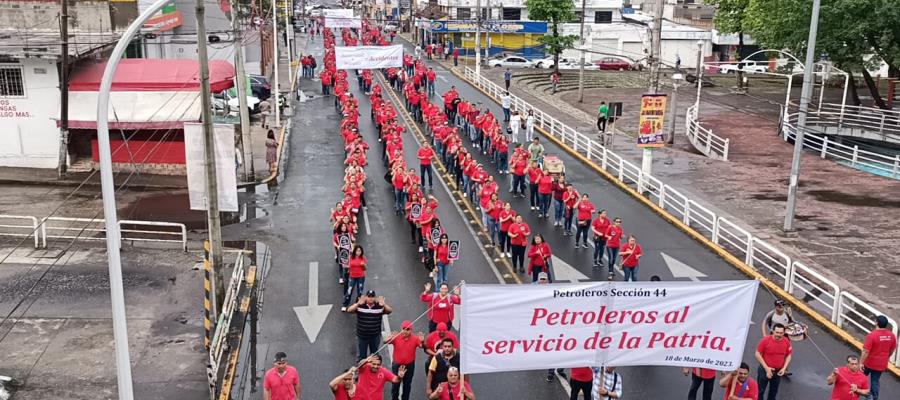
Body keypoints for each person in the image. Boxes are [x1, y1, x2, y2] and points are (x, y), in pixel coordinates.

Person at [346, 290, 394, 361]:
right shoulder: (361, 305)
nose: (371, 298)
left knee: (374, 356)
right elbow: (349, 310)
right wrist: (357, 304)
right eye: (369, 296)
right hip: (362, 336)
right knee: (362, 357)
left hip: (375, 336)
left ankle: (374, 370)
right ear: (366, 297)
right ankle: (362, 371)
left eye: (372, 296)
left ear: (375, 298)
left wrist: (384, 305)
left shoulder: (379, 306)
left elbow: (390, 311)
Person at [384, 321, 425, 400]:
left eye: (408, 329)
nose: (405, 331)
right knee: (395, 383)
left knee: (407, 384)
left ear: (411, 330)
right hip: (397, 365)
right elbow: (385, 341)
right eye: (404, 329)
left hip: (409, 366)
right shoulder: (396, 336)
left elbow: (422, 346)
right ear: (401, 329)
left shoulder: (415, 338)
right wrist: (389, 337)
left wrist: (422, 341)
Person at [861, 315, 897, 400]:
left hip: (869, 363)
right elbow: (891, 350)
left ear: (876, 323)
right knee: (875, 381)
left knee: (861, 377)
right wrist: (886, 357)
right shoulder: (891, 336)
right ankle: (873, 397)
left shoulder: (872, 336)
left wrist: (861, 363)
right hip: (881, 364)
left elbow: (865, 351)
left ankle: (856, 393)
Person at [755, 323, 792, 400]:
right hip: (764, 370)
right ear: (773, 331)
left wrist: (784, 368)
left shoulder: (786, 342)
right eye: (777, 332)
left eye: (781, 333)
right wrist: (767, 368)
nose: (778, 334)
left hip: (778, 371)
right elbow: (757, 354)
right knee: (760, 391)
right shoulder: (765, 340)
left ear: (784, 333)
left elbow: (789, 355)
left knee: (773, 392)